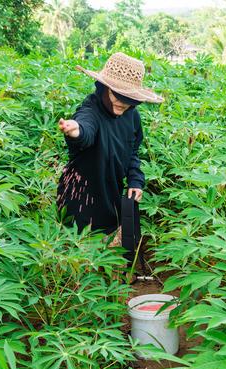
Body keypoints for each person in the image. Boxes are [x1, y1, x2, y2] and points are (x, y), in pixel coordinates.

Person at [56, 52, 164, 244]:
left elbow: (132, 152)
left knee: (108, 247)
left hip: (111, 194)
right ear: (104, 88)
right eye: (118, 96)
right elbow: (86, 130)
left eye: (129, 99)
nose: (123, 104)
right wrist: (75, 131)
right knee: (79, 250)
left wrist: (135, 180)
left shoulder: (132, 117)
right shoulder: (91, 110)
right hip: (81, 197)